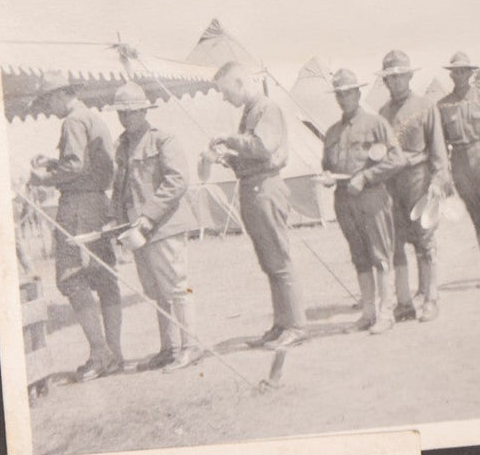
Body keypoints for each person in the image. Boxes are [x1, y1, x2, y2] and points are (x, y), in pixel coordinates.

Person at [28, 72, 123, 380]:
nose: (48, 107)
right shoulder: (91, 118)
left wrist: (44, 177)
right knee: (105, 278)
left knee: (70, 278)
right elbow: (86, 164)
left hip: (78, 206)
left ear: (62, 95)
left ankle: (99, 353)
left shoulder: (71, 122)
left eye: (49, 100)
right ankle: (114, 353)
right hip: (98, 202)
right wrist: (56, 163)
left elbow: (75, 167)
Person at [207, 61, 307, 349]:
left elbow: (263, 146)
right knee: (269, 261)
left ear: (240, 83)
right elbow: (253, 154)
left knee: (279, 259)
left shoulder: (266, 108)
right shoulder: (251, 112)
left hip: (266, 189)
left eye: (226, 92)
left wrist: (229, 139)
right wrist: (227, 158)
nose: (225, 98)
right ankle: (282, 322)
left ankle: (296, 325)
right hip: (253, 187)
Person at [111, 81, 201, 371]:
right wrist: (118, 222)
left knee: (177, 288)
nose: (125, 118)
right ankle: (169, 347)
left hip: (164, 226)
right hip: (137, 232)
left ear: (144, 111)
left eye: (131, 112)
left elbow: (177, 181)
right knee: (155, 291)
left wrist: (149, 215)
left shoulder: (164, 140)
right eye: (121, 114)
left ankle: (191, 346)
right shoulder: (122, 147)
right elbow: (121, 189)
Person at [320, 69, 403, 334]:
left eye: (348, 93)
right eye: (339, 94)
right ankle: (368, 313)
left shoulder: (376, 123)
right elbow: (327, 166)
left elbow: (396, 159)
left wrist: (366, 177)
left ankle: (386, 312)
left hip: (371, 197)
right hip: (344, 199)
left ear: (358, 93)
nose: (343, 99)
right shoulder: (332, 132)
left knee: (380, 254)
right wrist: (327, 177)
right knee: (359, 256)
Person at [377, 50, 448, 322]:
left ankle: (431, 298)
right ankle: (404, 302)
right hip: (392, 183)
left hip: (419, 179)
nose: (394, 82)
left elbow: (438, 149)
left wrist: (438, 182)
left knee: (425, 240)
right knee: (395, 243)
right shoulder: (383, 112)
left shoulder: (425, 106)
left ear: (409, 76)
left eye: (399, 76)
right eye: (389, 77)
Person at [436, 52, 480, 288]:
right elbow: (440, 143)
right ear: (451, 74)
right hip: (460, 162)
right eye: (456, 71)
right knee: (477, 218)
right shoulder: (443, 105)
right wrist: (444, 173)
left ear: (471, 73)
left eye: (464, 71)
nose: (460, 75)